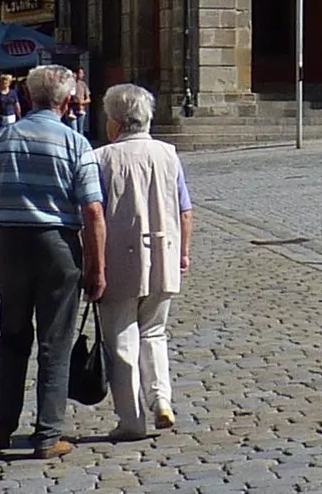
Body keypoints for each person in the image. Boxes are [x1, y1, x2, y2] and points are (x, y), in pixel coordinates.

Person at [0, 63, 106, 459]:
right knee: (55, 341)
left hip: (10, 243)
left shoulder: (1, 139)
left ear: (27, 97)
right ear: (66, 101)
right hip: (58, 245)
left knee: (10, 337)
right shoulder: (75, 144)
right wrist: (96, 267)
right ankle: (47, 435)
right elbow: (93, 211)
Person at [93, 84, 192, 441]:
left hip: (119, 258)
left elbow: (93, 214)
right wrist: (183, 252)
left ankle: (132, 419)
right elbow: (185, 210)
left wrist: (92, 263)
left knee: (121, 340)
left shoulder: (102, 158)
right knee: (154, 333)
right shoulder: (168, 153)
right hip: (163, 253)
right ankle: (161, 399)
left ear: (116, 123)